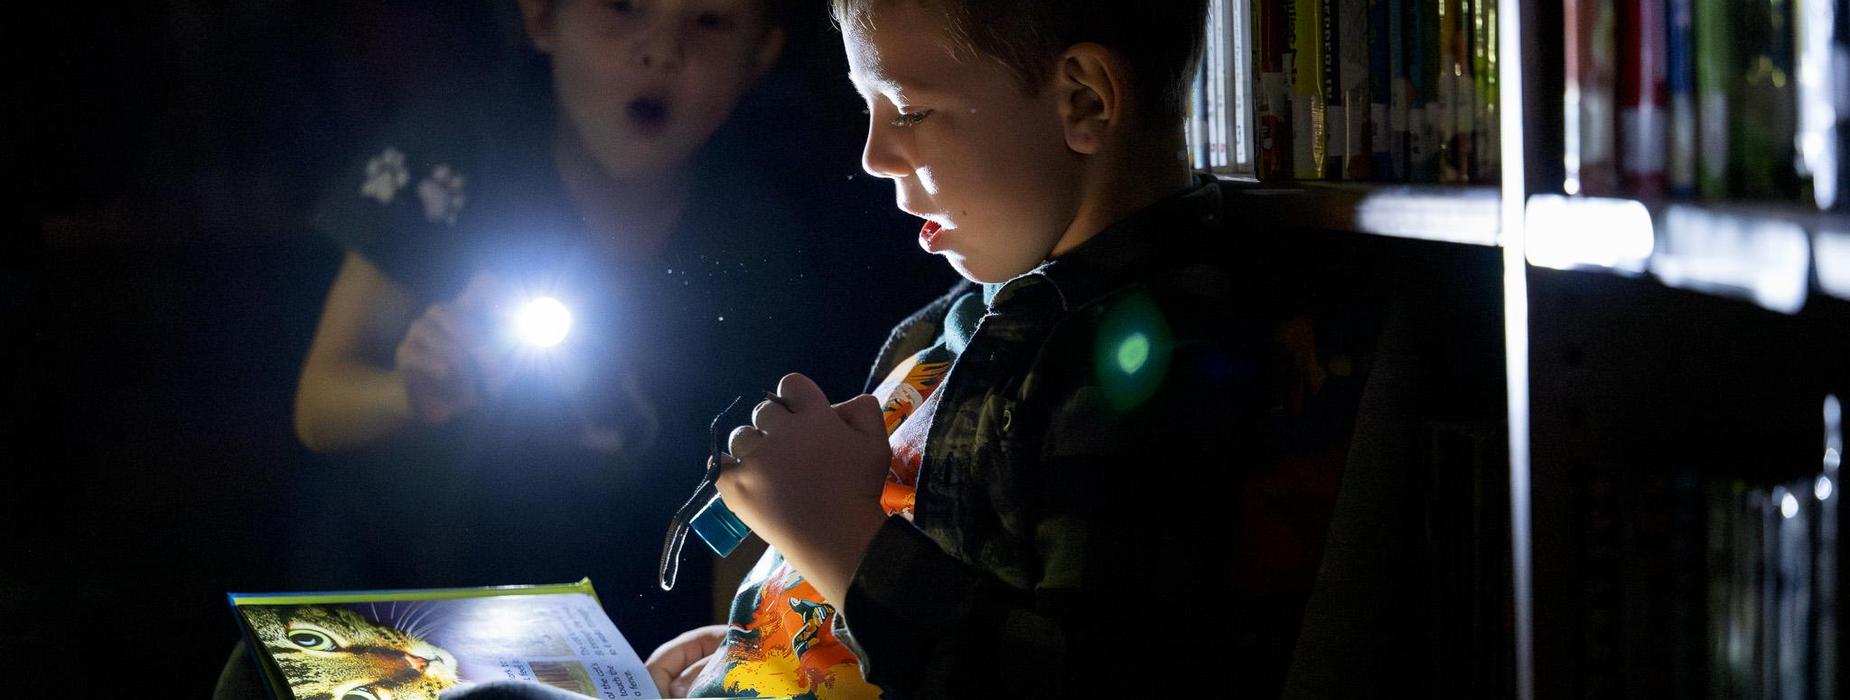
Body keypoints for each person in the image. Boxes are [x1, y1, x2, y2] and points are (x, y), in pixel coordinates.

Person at [645, 0, 1387, 697]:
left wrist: (836, 538)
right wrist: (770, 634)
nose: (873, 155)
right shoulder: (963, 323)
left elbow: (1084, 676)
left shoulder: (1148, 366)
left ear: (1085, 103)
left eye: (909, 109)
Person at [286, 0, 810, 655]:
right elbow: (319, 407)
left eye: (709, 22)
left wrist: (732, 662)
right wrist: (410, 392)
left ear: (760, 53)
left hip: (616, 639)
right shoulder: (451, 156)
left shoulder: (766, 239)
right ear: (541, 17)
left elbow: (750, 502)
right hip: (393, 616)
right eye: (623, 8)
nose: (661, 52)